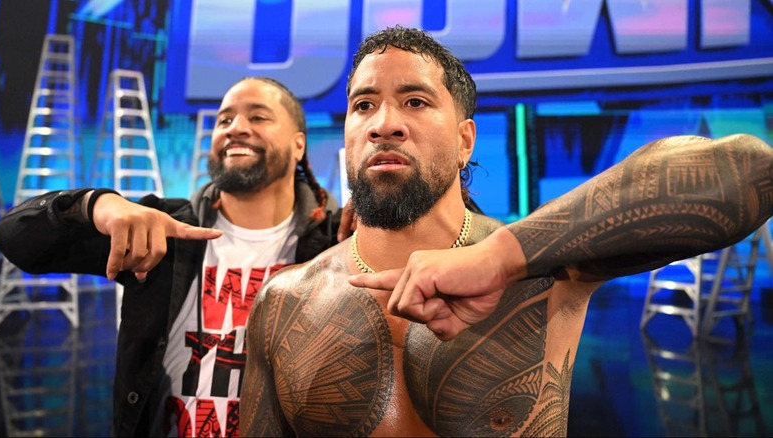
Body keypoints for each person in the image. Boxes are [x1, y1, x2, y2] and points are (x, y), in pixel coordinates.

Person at [237, 26, 773, 437]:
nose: (385, 122)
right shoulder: (285, 302)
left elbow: (755, 171)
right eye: (364, 105)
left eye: (416, 101)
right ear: (348, 134)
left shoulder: (546, 266)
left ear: (467, 140)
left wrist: (501, 258)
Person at [0, 77, 354, 437]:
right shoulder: (160, 230)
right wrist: (94, 205)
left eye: (258, 117)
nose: (236, 129)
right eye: (224, 120)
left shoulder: (338, 244)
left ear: (298, 145)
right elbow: (16, 239)